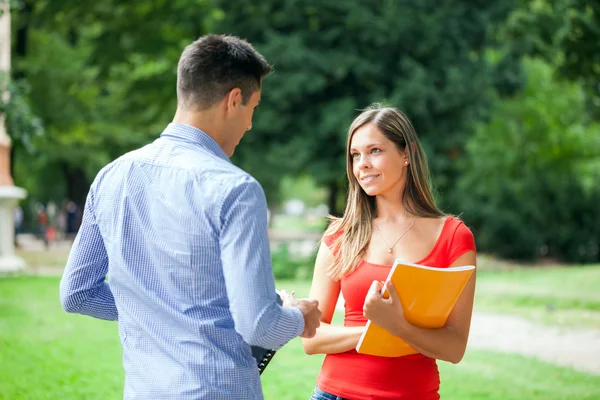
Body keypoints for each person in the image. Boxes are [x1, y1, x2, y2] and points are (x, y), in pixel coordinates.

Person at [59, 34, 322, 400]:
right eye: (253, 108)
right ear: (234, 100)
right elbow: (259, 325)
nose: (249, 125)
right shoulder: (236, 189)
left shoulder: (111, 176)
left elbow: (77, 293)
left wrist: (161, 308)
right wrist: (299, 317)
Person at [302, 104, 477, 400]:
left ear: (406, 154)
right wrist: (381, 330)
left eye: (374, 151)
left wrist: (396, 325)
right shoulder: (340, 235)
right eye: (355, 155)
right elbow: (312, 337)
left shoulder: (453, 238)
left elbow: (454, 348)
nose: (362, 164)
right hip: (335, 394)